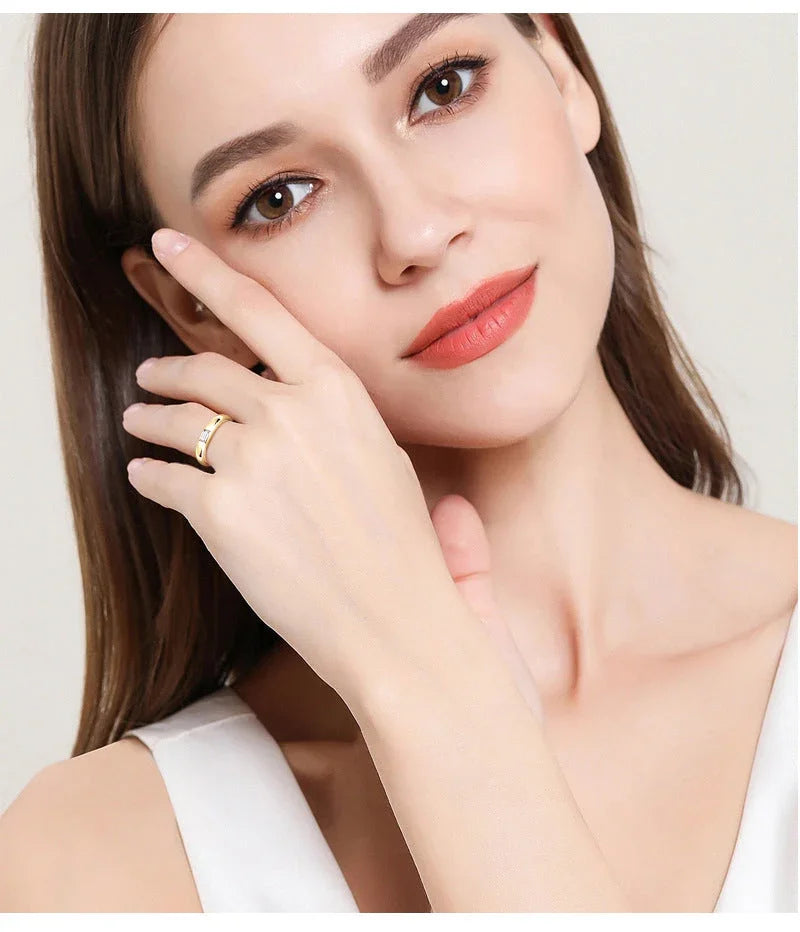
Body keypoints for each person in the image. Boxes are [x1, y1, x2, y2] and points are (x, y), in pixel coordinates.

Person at [0, 12, 795, 913]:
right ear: (195, 309)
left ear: (561, 69)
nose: (415, 231)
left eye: (442, 86)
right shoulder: (93, 862)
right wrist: (427, 689)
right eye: (280, 197)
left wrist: (449, 715)